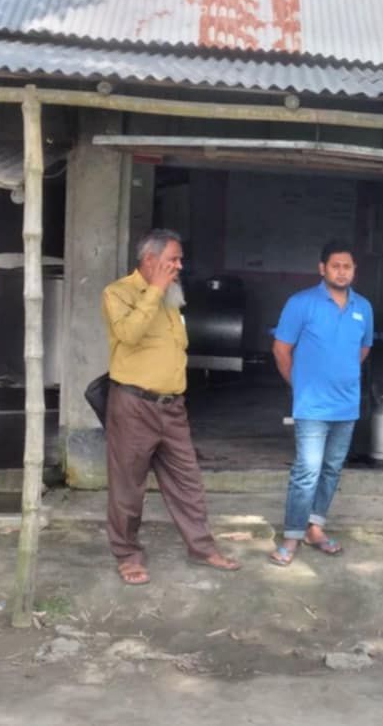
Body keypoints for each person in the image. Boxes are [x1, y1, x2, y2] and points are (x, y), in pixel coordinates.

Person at [101, 229, 240, 585]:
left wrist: (163, 291)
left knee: (187, 480)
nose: (179, 266)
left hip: (173, 408)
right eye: (173, 260)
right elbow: (130, 334)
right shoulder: (118, 293)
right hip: (134, 405)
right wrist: (156, 290)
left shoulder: (172, 298)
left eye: (180, 260)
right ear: (150, 260)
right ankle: (127, 555)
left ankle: (202, 548)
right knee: (128, 486)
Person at [268, 241, 374, 565]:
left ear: (354, 270)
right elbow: (281, 349)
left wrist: (340, 376)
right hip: (312, 405)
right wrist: (300, 385)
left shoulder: (363, 307)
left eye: (347, 266)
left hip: (346, 405)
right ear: (322, 269)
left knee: (331, 469)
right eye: (335, 266)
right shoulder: (301, 303)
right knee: (307, 471)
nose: (342, 272)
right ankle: (292, 535)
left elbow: (363, 349)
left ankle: (315, 528)